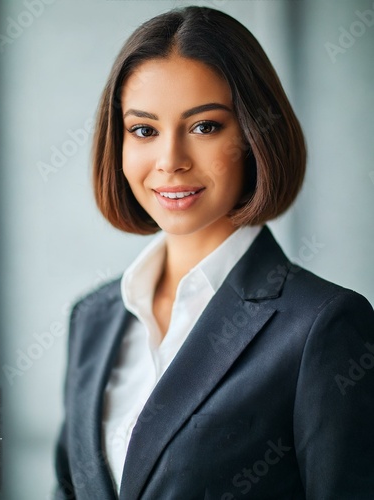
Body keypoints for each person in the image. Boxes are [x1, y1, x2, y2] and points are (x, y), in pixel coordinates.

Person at [54, 6, 374, 500]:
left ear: (253, 135)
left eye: (204, 126)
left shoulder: (323, 326)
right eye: (144, 130)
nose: (171, 161)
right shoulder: (91, 319)